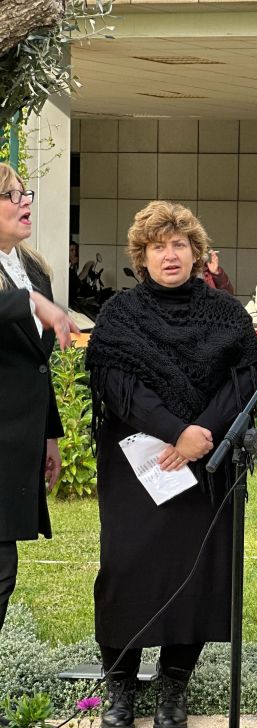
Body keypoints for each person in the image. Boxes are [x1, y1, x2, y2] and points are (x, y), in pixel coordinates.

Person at [85, 201, 257, 728]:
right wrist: (174, 431)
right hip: (137, 467)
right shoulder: (120, 314)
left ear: (196, 252)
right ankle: (120, 686)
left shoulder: (227, 314)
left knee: (195, 577)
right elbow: (117, 384)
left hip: (204, 468)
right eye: (158, 246)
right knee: (126, 573)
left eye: (179, 245)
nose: (169, 255)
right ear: (141, 256)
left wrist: (200, 433)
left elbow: (244, 379)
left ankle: (173, 688)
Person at [0, 163, 78, 637]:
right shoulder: (27, 288)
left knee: (3, 575)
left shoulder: (32, 268)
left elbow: (36, 363)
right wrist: (29, 302)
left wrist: (49, 435)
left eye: (25, 192)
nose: (25, 201)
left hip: (17, 444)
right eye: (11, 195)